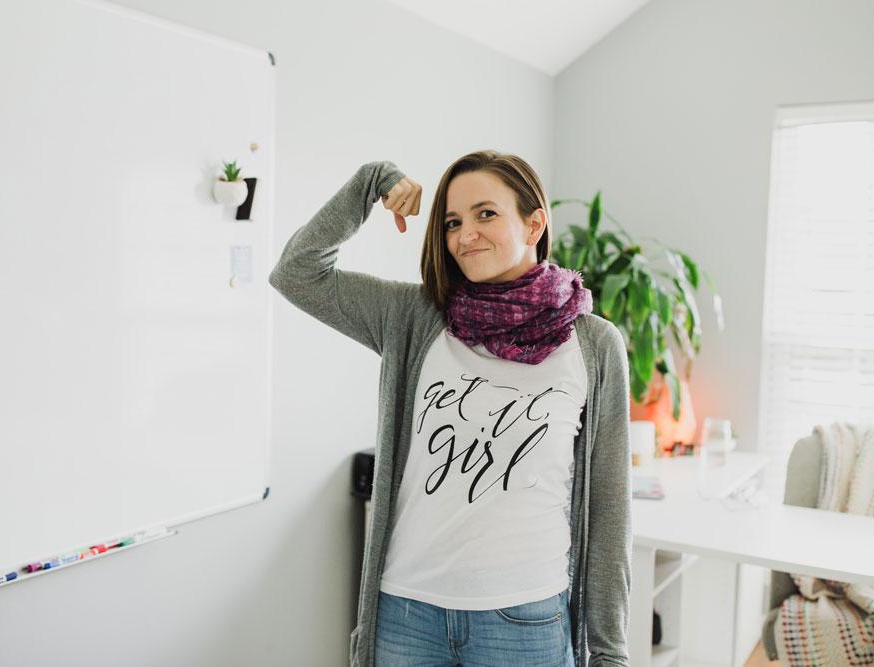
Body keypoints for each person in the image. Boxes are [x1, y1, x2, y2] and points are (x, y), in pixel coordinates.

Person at [268, 150, 632, 667]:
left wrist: (610, 651)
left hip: (525, 617)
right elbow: (296, 273)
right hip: (407, 614)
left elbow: (610, 506)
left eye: (486, 214)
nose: (465, 235)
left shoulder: (593, 345)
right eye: (452, 222)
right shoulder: (416, 318)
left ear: (534, 224)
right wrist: (371, 183)